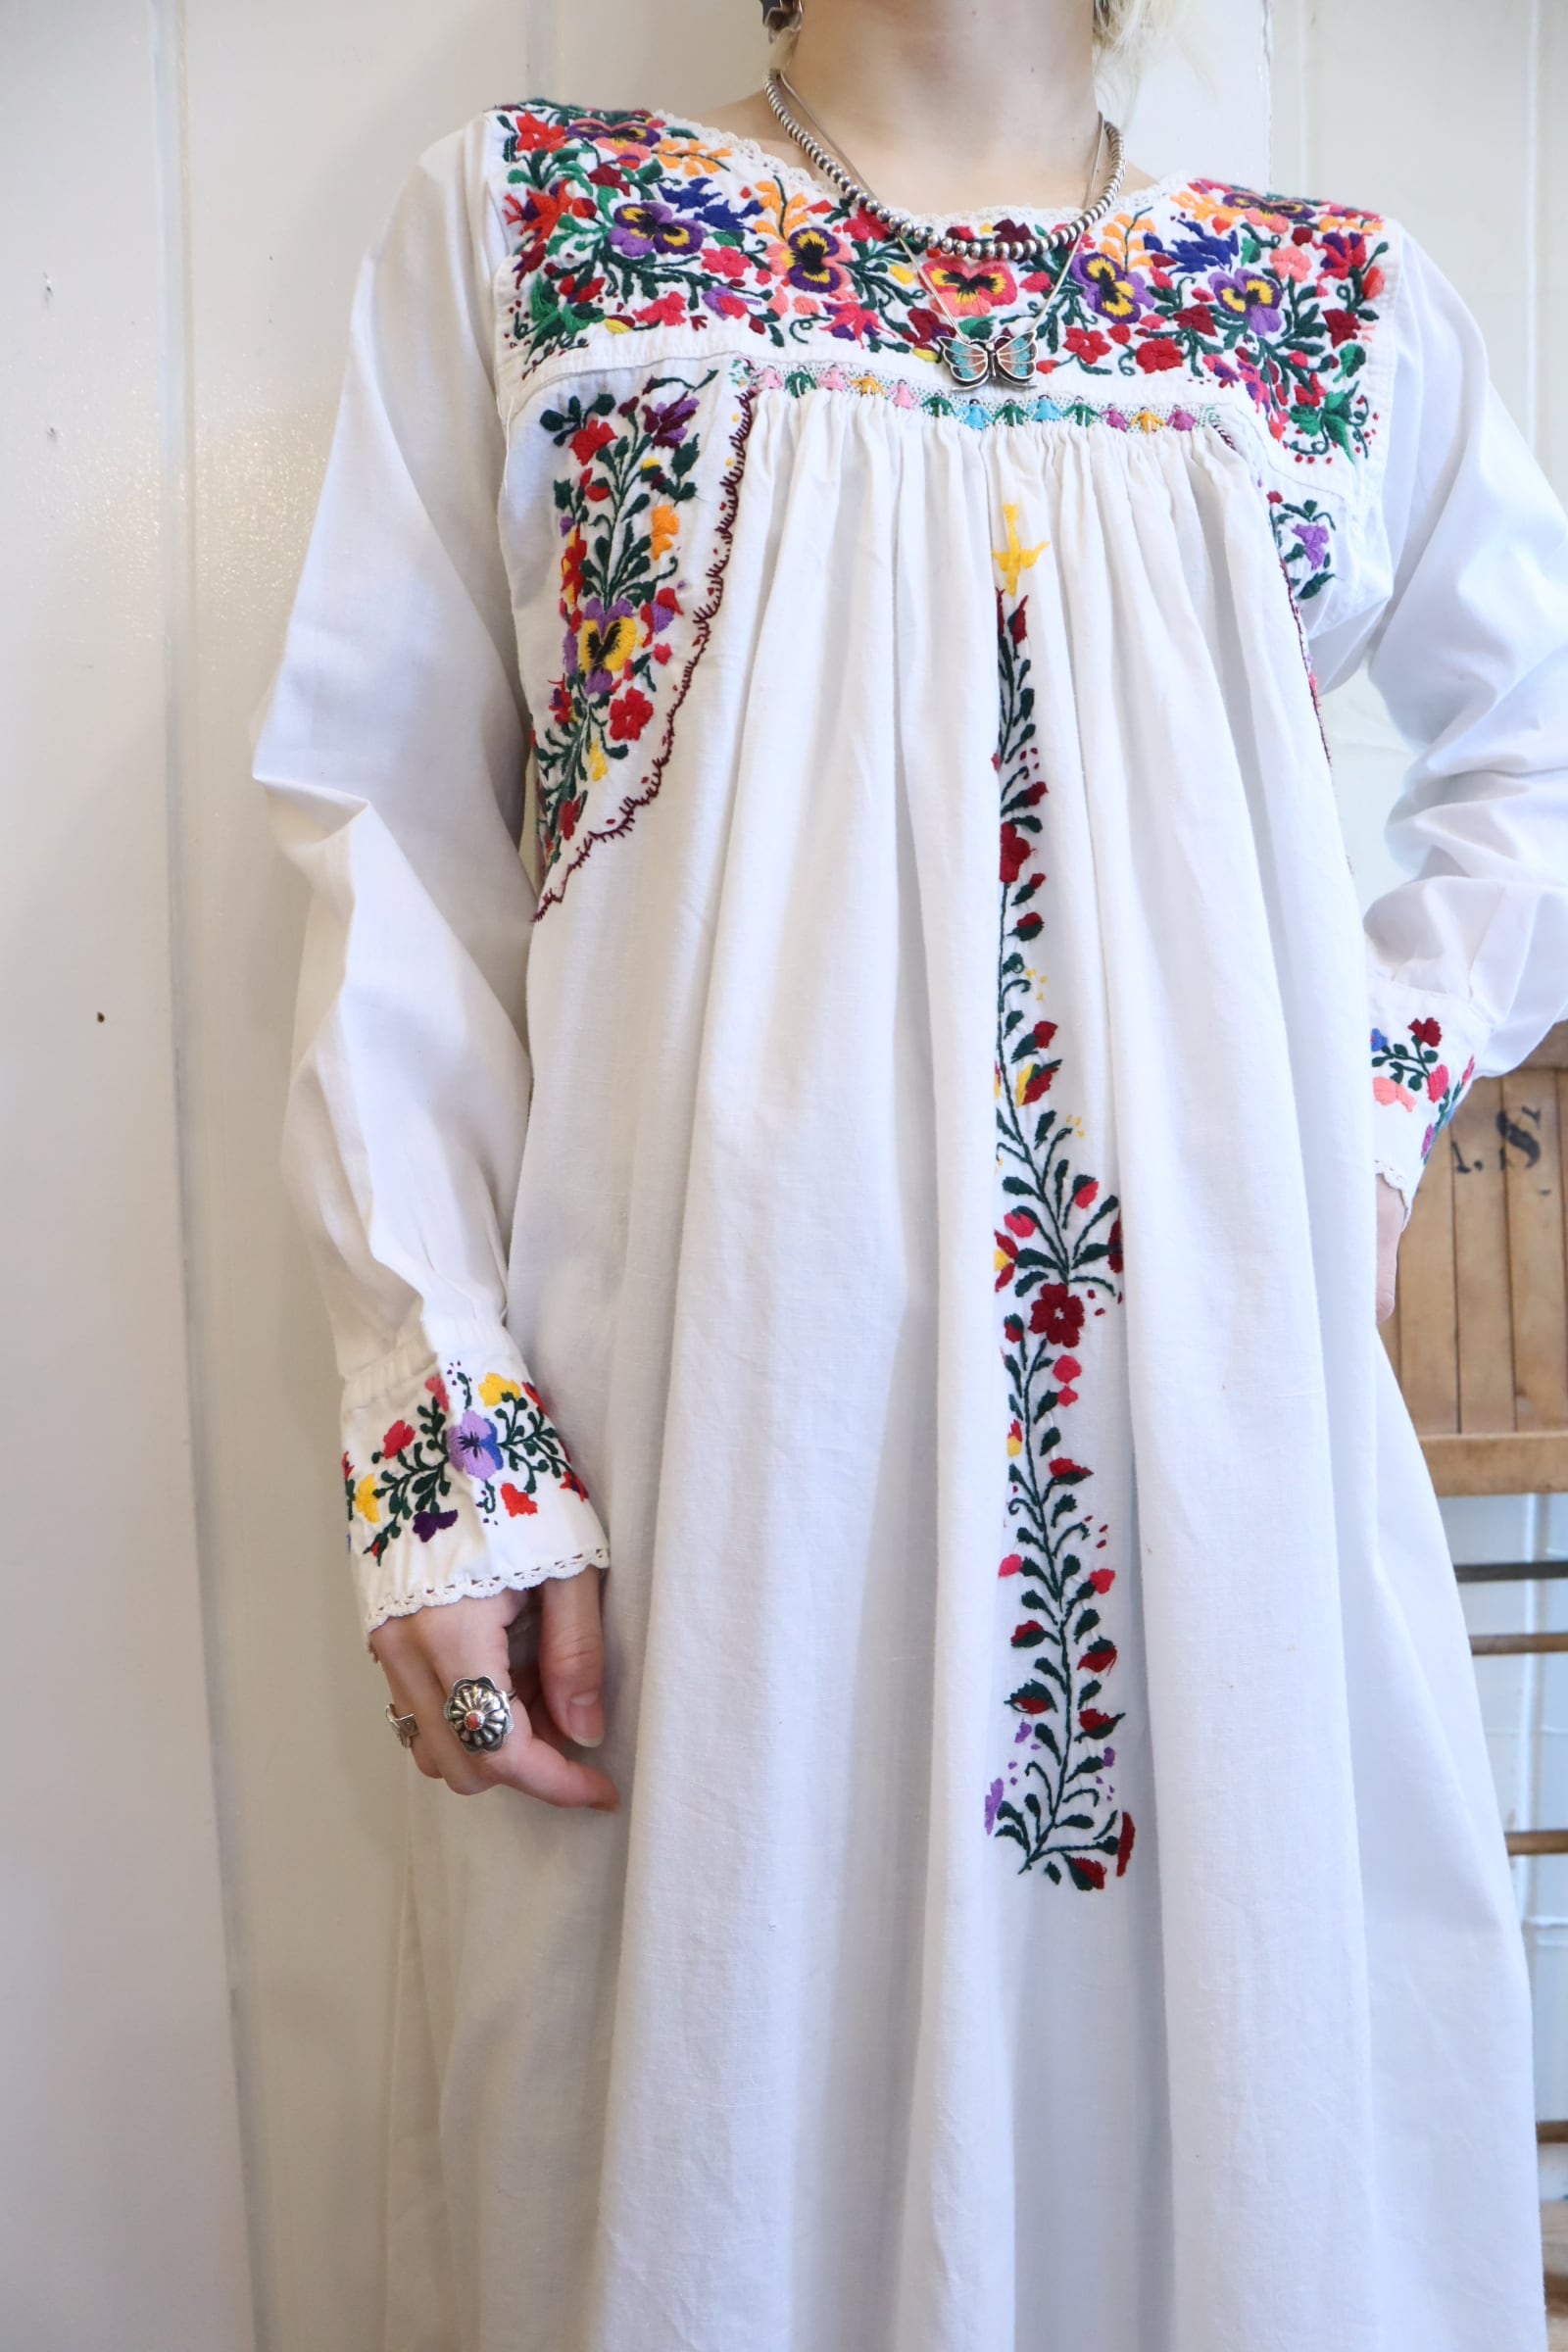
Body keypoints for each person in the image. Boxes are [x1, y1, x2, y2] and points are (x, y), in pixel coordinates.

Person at [254, 0, 1568, 2342]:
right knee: (709, 2143)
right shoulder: (543, 233)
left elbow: (1532, 761)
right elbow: (390, 850)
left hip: (1217, 1486)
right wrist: (442, 1433)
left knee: (1236, 2129)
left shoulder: (1327, 309)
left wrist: (1358, 1101)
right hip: (711, 1463)